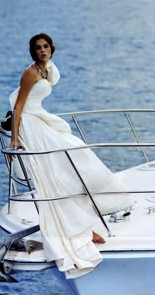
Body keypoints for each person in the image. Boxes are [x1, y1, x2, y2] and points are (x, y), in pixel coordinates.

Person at [8, 33, 132, 278]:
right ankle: (79, 233)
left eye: (46, 47)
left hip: (40, 119)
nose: (43, 51)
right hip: (31, 125)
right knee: (57, 171)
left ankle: (86, 223)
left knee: (75, 158)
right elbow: (18, 107)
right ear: (33, 52)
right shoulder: (31, 73)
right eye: (38, 48)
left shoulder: (47, 70)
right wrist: (14, 138)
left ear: (51, 49)